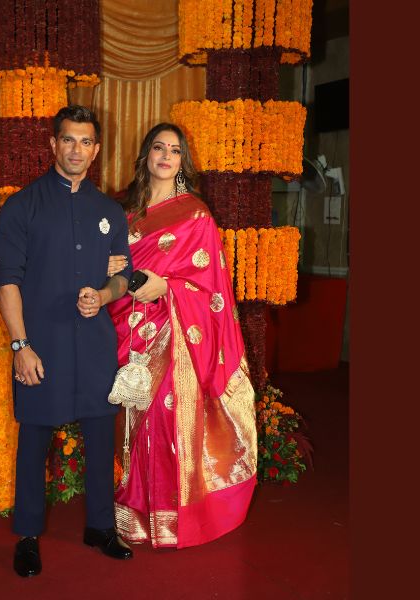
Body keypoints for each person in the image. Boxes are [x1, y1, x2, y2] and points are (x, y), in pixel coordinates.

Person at [0, 105, 135, 578]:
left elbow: (124, 276)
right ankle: (27, 536)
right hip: (42, 345)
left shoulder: (109, 211)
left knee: (100, 437)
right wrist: (20, 346)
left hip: (94, 344)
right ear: (53, 144)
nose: (77, 149)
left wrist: (105, 295)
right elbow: (7, 281)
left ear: (96, 150)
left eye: (85, 141)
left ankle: (100, 527)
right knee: (34, 441)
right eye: (68, 140)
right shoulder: (22, 206)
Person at [105, 123, 257, 549]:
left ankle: (168, 517)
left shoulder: (196, 215)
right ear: (146, 155)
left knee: (162, 415)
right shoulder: (120, 210)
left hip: (174, 333)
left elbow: (211, 286)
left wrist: (167, 287)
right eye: (159, 147)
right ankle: (129, 511)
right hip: (124, 325)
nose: (166, 156)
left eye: (174, 150)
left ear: (182, 160)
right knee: (127, 417)